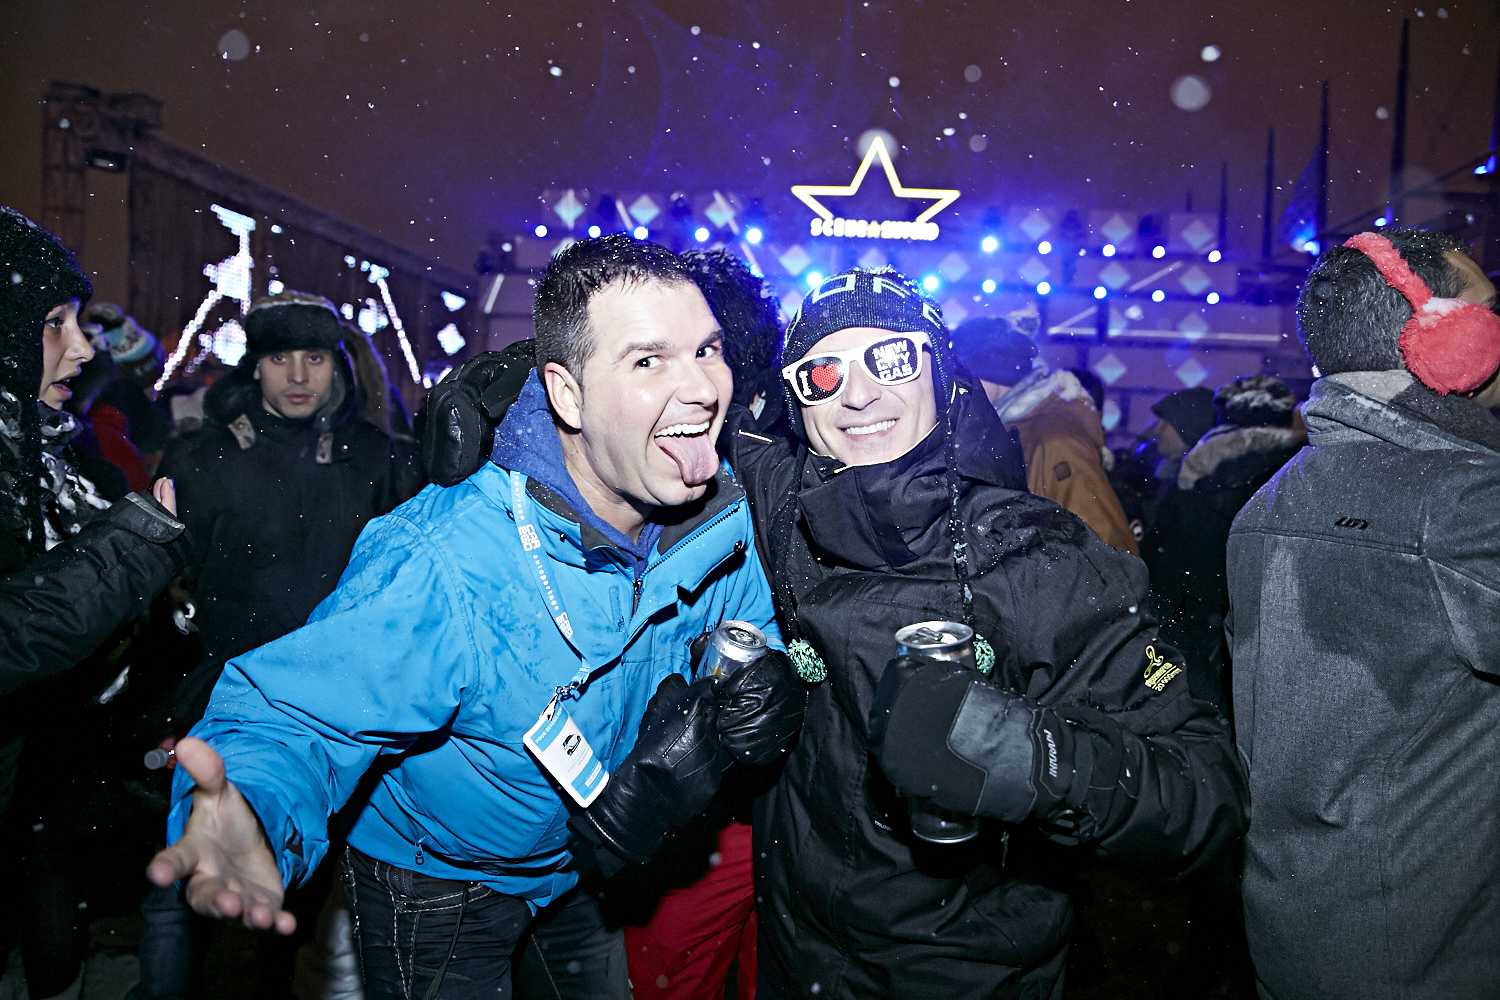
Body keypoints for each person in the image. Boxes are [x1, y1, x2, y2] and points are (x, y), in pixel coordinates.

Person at [149, 235, 805, 1000]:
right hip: (437, 878)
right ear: (567, 393)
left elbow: (743, 632)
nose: (700, 389)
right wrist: (252, 806)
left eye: (707, 350)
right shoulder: (445, 557)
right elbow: (298, 714)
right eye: (648, 361)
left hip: (584, 863)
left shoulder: (718, 519)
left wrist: (753, 688)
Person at [726, 267, 1247, 998]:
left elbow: (1205, 794)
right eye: (823, 371)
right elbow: (681, 419)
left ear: (941, 377)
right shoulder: (783, 506)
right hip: (797, 962)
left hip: (967, 976)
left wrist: (1035, 762)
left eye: (893, 359)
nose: (859, 392)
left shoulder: (1037, 555)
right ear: (798, 402)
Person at [1227, 229, 1500, 999]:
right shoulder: (1464, 504)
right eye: (1491, 310)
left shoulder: (1270, 500)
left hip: (1302, 921)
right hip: (1434, 951)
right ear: (1446, 340)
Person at [141, 291, 415, 999]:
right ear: (254, 367)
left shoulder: (375, 457)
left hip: (344, 709)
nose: (298, 374)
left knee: (320, 901)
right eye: (279, 357)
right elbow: (163, 592)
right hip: (224, 703)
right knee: (203, 890)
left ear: (339, 367)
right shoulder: (201, 457)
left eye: (315, 357)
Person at [0, 207, 196, 1000]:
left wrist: (160, 617)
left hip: (38, 783)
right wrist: (135, 544)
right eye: (54, 324)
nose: (82, 347)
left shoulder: (47, 453)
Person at [1143, 375, 1305, 712]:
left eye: (1165, 421)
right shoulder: (1303, 473)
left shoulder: (1198, 481)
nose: (1155, 430)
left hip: (1203, 638)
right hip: (1279, 643)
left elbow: (1167, 574)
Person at [949, 314, 1138, 554]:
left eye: (961, 378)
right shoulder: (1010, 429)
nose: (956, 390)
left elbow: (1110, 552)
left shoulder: (1054, 439)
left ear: (987, 372)